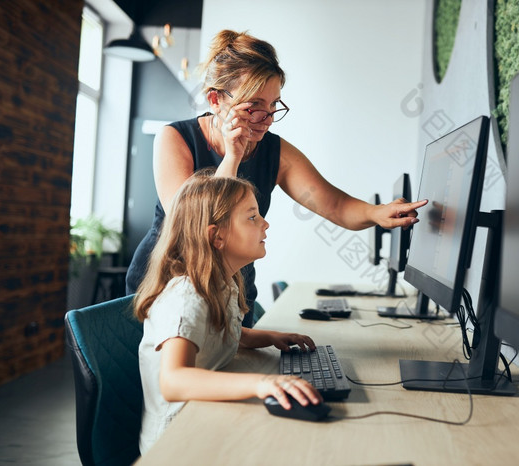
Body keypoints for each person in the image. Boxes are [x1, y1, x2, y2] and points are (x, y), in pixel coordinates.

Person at [126, 29, 428, 328]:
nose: (266, 119)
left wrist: (378, 214)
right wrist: (232, 157)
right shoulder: (176, 138)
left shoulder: (274, 151)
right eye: (254, 106)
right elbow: (192, 226)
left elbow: (334, 205)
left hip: (232, 291)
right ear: (216, 100)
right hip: (170, 288)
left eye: (273, 106)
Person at [134, 172, 321, 455]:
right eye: (252, 217)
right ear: (217, 235)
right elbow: (174, 381)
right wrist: (262, 383)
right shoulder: (187, 297)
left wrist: (268, 336)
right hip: (176, 441)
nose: (265, 223)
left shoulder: (220, 284)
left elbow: (216, 333)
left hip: (203, 416)